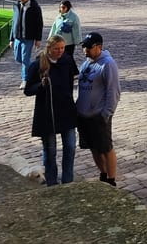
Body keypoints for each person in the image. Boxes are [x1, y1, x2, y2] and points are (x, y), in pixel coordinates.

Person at [24, 35, 78, 186]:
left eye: (62, 48)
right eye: (56, 49)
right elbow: (28, 90)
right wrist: (41, 86)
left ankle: (68, 180)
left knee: (70, 147)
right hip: (47, 113)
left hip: (66, 111)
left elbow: (71, 81)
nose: (60, 51)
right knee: (50, 150)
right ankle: (52, 182)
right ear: (49, 48)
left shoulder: (67, 60)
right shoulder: (38, 65)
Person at [76, 32, 121, 187]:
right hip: (84, 115)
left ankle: (111, 179)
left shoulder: (108, 64)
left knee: (106, 147)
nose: (85, 50)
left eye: (89, 47)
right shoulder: (86, 64)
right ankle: (103, 174)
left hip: (99, 115)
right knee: (93, 147)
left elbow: (113, 91)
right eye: (84, 47)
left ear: (99, 47)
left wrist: (106, 113)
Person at [9, 0, 44, 89]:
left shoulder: (34, 7)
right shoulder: (16, 6)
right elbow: (14, 23)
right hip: (17, 37)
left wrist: (38, 39)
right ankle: (33, 68)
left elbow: (39, 24)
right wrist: (11, 38)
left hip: (28, 37)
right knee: (18, 58)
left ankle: (25, 79)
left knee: (25, 59)